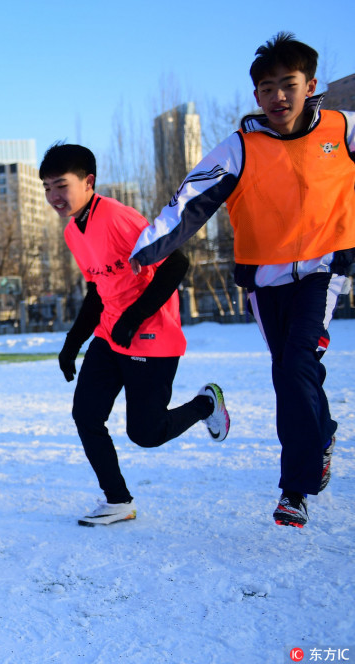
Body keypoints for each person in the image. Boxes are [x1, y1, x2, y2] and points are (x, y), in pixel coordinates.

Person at [130, 33, 354, 529]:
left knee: (293, 366)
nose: (278, 96)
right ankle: (323, 431)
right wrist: (146, 250)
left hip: (322, 271)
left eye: (288, 85)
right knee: (295, 370)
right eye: (267, 88)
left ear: (310, 85)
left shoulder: (343, 130)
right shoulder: (239, 148)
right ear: (256, 96)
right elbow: (189, 200)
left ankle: (295, 490)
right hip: (263, 281)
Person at [39, 143, 229, 527]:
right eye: (46, 188)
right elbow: (98, 289)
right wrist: (72, 342)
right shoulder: (74, 231)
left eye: (61, 185)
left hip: (152, 336)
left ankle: (206, 405)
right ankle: (118, 501)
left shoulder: (117, 217)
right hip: (110, 336)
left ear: (88, 181)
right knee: (86, 416)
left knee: (146, 433)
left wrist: (134, 317)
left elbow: (176, 262)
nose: (54, 196)